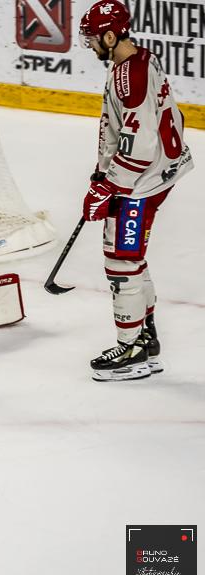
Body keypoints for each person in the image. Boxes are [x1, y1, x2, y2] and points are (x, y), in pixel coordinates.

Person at [79, 0, 193, 381]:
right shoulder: (140, 60)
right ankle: (144, 336)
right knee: (132, 258)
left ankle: (131, 349)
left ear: (111, 36)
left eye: (95, 38)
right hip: (149, 174)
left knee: (121, 260)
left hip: (142, 182)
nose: (91, 45)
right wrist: (102, 174)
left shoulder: (132, 75)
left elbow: (140, 145)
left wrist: (111, 184)